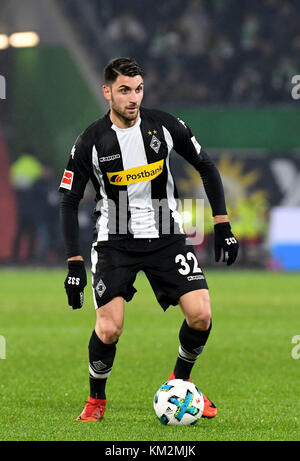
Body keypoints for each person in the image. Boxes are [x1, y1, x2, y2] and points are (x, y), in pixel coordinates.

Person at [59, 57, 239, 422]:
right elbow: (69, 199)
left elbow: (206, 165)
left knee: (201, 315)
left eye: (138, 89)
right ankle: (96, 400)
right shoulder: (91, 142)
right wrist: (74, 262)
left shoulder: (165, 126)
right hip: (114, 240)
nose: (133, 98)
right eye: (125, 90)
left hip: (166, 234)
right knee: (109, 329)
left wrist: (222, 223)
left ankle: (181, 383)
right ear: (107, 92)